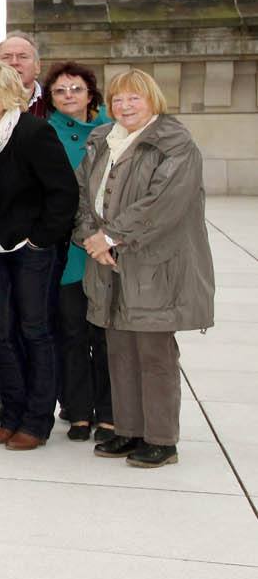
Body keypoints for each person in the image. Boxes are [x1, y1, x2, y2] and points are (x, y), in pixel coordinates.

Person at [76, 69, 214, 469]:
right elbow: (83, 195)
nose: (125, 106)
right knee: (119, 350)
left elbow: (164, 202)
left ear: (153, 100)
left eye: (134, 98)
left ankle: (161, 439)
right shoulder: (102, 141)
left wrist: (112, 236)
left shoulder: (174, 144)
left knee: (154, 353)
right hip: (108, 263)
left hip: (155, 265)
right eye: (118, 99)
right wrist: (91, 238)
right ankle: (129, 429)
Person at [0, 61, 78, 452]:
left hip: (32, 253)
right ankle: (11, 413)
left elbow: (63, 193)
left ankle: (36, 420)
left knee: (35, 330)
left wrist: (40, 240)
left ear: (7, 96)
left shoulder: (34, 132)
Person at [44, 61, 115, 441]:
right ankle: (77, 410)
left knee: (104, 334)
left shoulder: (114, 129)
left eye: (76, 88)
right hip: (67, 248)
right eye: (60, 90)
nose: (68, 95)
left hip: (104, 246)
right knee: (70, 332)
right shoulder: (45, 132)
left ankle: (108, 412)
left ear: (91, 92)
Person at [0, 36, 49, 118]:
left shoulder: (56, 102)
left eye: (23, 57)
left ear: (37, 67)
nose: (14, 62)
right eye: (6, 57)